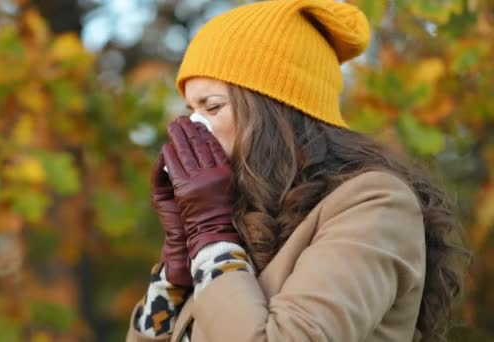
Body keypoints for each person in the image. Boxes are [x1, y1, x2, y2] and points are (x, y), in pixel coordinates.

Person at [126, 0, 468, 341]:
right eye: (191, 110)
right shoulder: (241, 222)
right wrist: (177, 270)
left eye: (213, 106)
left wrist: (209, 236)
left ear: (274, 111)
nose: (196, 128)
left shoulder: (374, 204)